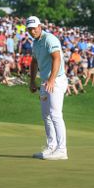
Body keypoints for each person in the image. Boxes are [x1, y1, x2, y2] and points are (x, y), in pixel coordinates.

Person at [28, 16, 68, 160]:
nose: (32, 31)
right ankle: (51, 147)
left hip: (56, 80)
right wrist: (32, 81)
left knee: (55, 114)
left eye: (34, 28)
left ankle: (62, 150)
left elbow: (57, 58)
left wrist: (51, 80)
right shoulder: (36, 43)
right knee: (46, 115)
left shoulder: (49, 39)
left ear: (40, 26)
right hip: (46, 81)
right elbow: (34, 62)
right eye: (30, 29)